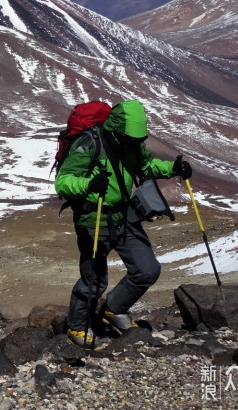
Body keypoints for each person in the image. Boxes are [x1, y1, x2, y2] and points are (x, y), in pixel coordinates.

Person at [55, 99, 192, 349]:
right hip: (94, 218)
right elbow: (63, 182)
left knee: (147, 269)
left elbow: (147, 165)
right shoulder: (89, 143)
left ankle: (114, 309)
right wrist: (88, 185)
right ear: (116, 130)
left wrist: (174, 168)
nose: (135, 143)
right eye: (130, 138)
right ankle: (77, 327)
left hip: (124, 215)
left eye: (138, 139)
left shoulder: (130, 142)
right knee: (94, 279)